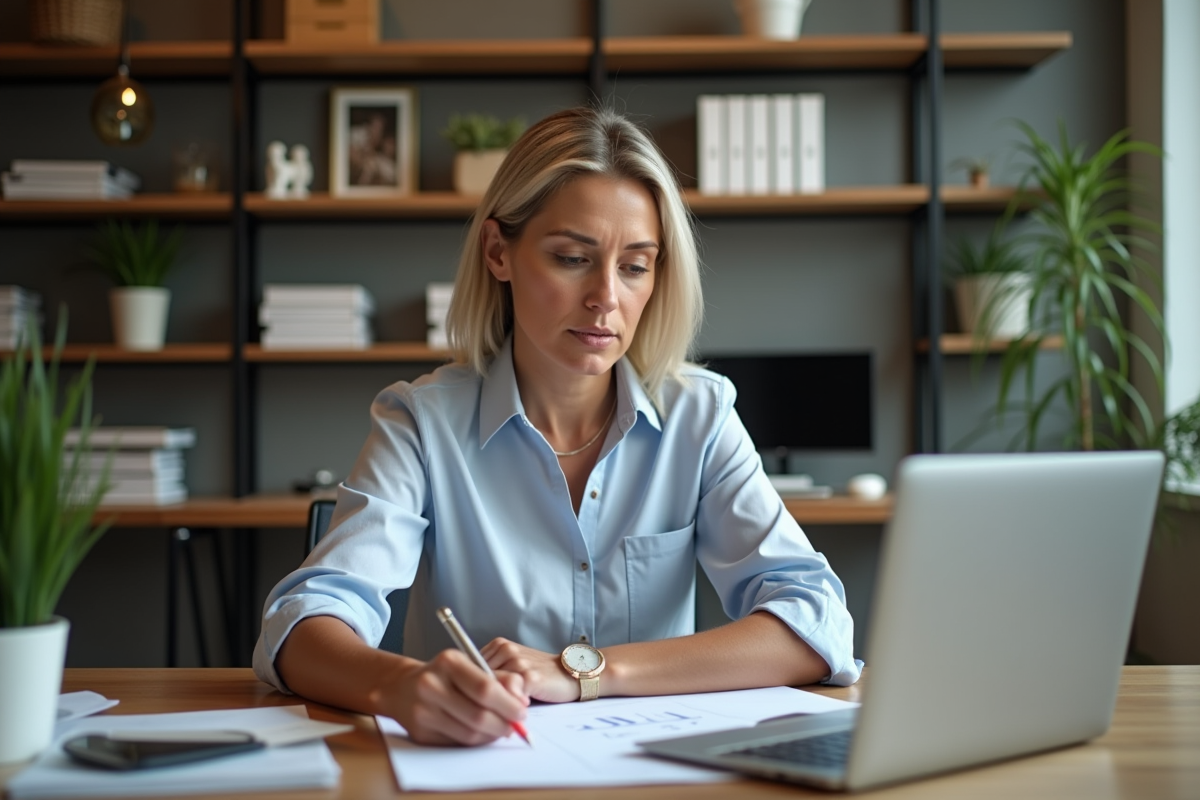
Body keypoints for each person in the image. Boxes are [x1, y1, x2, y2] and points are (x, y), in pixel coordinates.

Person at [253, 106, 861, 746]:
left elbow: (817, 621)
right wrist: (399, 687)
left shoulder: (700, 417)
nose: (606, 297)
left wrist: (587, 673)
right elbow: (301, 623)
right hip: (478, 769)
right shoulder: (421, 422)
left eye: (635, 266)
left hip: (653, 770)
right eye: (572, 258)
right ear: (499, 252)